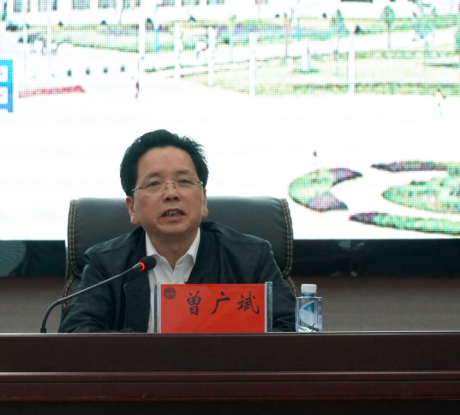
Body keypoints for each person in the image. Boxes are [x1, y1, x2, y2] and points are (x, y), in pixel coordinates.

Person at [59, 130, 296, 333]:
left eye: (184, 181)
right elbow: (76, 335)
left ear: (204, 200)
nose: (171, 193)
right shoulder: (107, 265)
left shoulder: (250, 258)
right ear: (132, 208)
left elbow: (291, 329)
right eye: (154, 183)